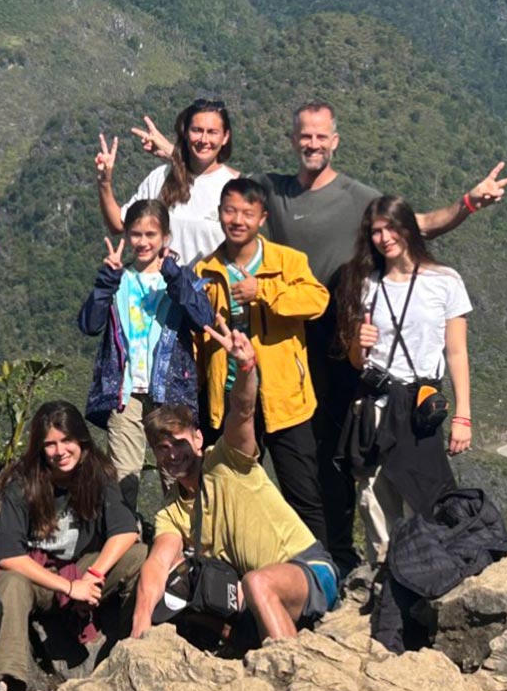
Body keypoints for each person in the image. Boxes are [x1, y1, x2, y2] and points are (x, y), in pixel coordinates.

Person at [251, 101, 507, 573]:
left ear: (335, 141)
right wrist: (181, 154)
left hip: (345, 347)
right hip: (289, 342)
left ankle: (404, 564)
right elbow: (229, 190)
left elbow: (417, 224)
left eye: (320, 136)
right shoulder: (274, 189)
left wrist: (469, 203)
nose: (312, 144)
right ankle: (337, 559)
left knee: (357, 461)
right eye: (304, 136)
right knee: (317, 457)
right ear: (293, 140)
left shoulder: (359, 197)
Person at [131, 322, 339, 645]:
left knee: (258, 583)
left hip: (308, 569)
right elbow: (158, 563)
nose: (173, 453)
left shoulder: (226, 460)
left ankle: (291, 673)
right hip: (250, 595)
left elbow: (242, 411)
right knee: (187, 584)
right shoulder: (172, 511)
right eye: (162, 447)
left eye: (178, 441)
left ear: (198, 439)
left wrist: (245, 367)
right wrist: (140, 631)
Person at [333, 196, 473, 564]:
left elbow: (456, 352)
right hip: (374, 406)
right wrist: (356, 345)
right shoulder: (366, 283)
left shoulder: (445, 282)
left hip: (419, 408)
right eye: (376, 231)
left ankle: (424, 579)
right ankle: (382, 582)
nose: (384, 237)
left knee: (422, 501)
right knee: (376, 504)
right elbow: (356, 360)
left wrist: (463, 416)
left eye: (391, 227)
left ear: (409, 227)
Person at [193, 179, 329, 542]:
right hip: (230, 399)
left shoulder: (287, 262)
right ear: (219, 213)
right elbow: (196, 338)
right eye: (229, 211)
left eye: (247, 213)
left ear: (262, 218)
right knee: (233, 494)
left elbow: (317, 301)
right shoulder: (204, 271)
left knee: (302, 493)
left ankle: (318, 576)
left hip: (284, 400)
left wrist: (264, 291)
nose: (237, 220)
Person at [0, 402, 147, 691]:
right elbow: (9, 557)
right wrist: (69, 588)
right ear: (40, 448)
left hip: (80, 569)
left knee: (139, 557)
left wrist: (93, 575)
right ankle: (5, 678)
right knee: (10, 581)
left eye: (67, 440)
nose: (60, 451)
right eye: (50, 444)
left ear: (81, 440)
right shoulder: (23, 483)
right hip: (36, 578)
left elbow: (125, 532)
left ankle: (126, 652)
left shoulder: (97, 474)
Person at [77, 200, 214, 511]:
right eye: (136, 234)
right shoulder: (118, 278)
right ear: (126, 233)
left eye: (150, 234)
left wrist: (175, 277)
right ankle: (126, 543)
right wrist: (105, 283)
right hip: (124, 393)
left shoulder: (181, 278)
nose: (142, 242)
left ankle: (181, 542)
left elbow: (203, 320)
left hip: (170, 393)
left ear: (165, 236)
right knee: (124, 476)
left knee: (176, 473)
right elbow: (89, 324)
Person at [95, 98, 238, 266]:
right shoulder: (160, 177)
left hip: (210, 290)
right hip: (161, 289)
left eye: (212, 132)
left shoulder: (234, 187)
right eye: (197, 130)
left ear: (225, 137)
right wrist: (105, 183)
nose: (204, 139)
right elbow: (118, 224)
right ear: (186, 133)